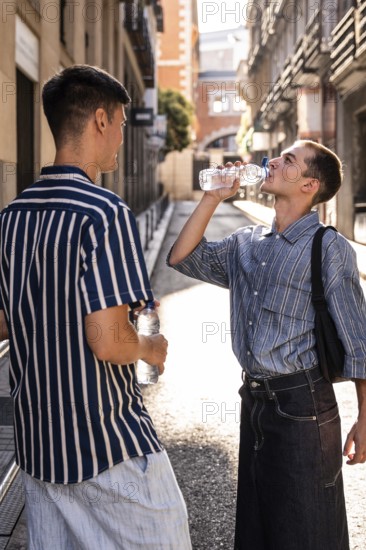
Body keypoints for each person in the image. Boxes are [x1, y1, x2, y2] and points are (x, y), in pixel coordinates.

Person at [0, 64, 191, 550]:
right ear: (100, 120)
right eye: (123, 124)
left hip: (40, 452)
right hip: (108, 446)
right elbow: (108, 341)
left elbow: (4, 321)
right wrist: (152, 348)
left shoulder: (11, 218)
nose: (122, 137)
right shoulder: (104, 213)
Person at [167, 140, 366, 550]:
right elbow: (182, 258)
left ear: (310, 185)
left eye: (288, 160)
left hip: (303, 406)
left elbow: (359, 341)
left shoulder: (329, 248)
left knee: (308, 530)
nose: (272, 161)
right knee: (259, 527)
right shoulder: (246, 242)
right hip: (254, 400)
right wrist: (212, 197)